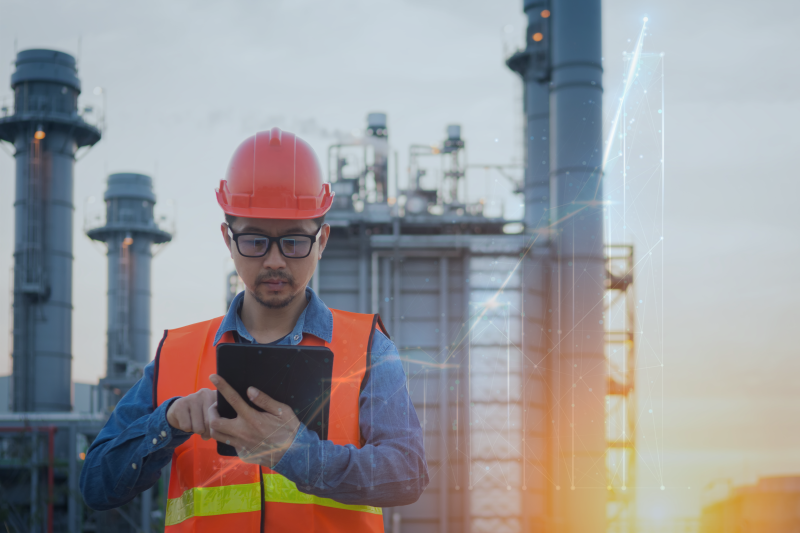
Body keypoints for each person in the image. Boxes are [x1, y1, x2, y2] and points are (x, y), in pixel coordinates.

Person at [80, 128, 428, 532]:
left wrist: (292, 452)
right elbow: (96, 486)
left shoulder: (368, 347)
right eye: (255, 240)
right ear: (228, 239)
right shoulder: (178, 352)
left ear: (323, 240)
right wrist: (168, 421)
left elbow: (407, 473)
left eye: (295, 241)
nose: (275, 261)